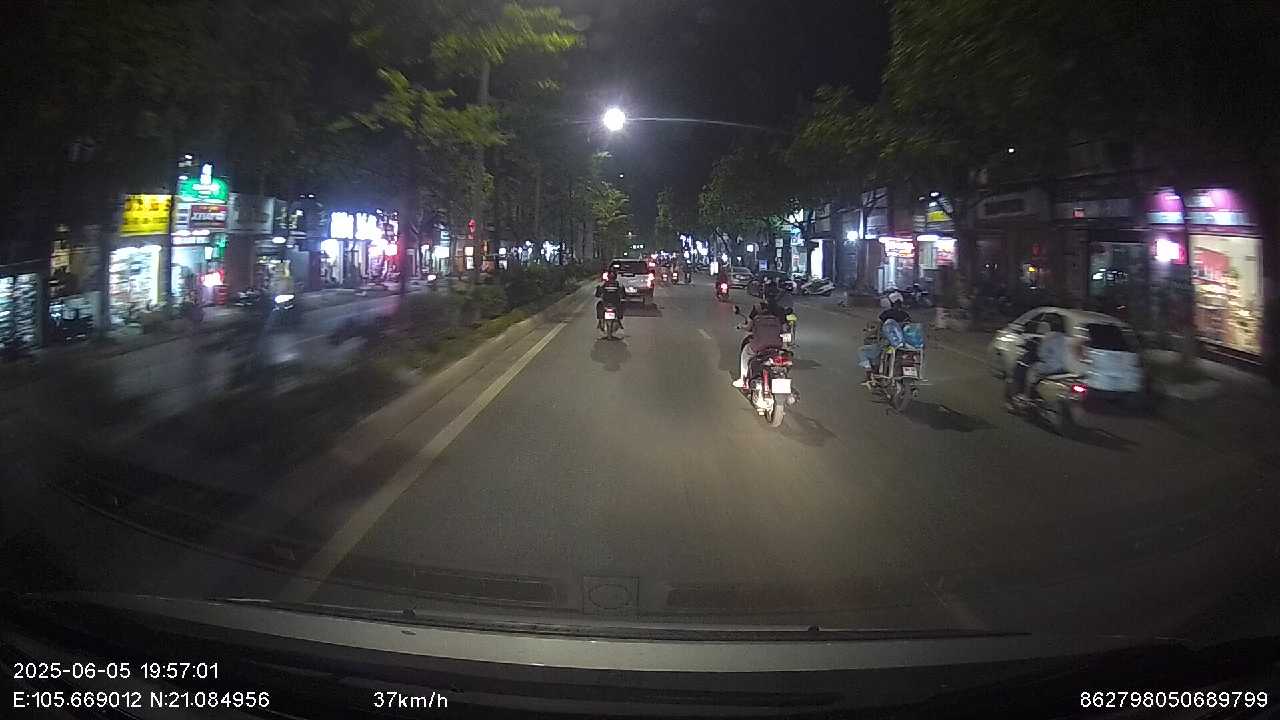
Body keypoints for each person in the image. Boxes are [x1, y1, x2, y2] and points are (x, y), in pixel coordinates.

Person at [733, 282, 787, 390]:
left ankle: (743, 379)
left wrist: (740, 326)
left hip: (760, 344)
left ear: (763, 294)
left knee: (745, 354)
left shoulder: (757, 308)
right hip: (777, 344)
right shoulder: (780, 310)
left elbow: (749, 327)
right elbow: (785, 329)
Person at [1007, 320, 1067, 408]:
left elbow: (1041, 353)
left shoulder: (1049, 337)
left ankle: (1026, 397)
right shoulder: (1066, 338)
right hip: (1065, 368)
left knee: (1030, 372)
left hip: (1050, 367)